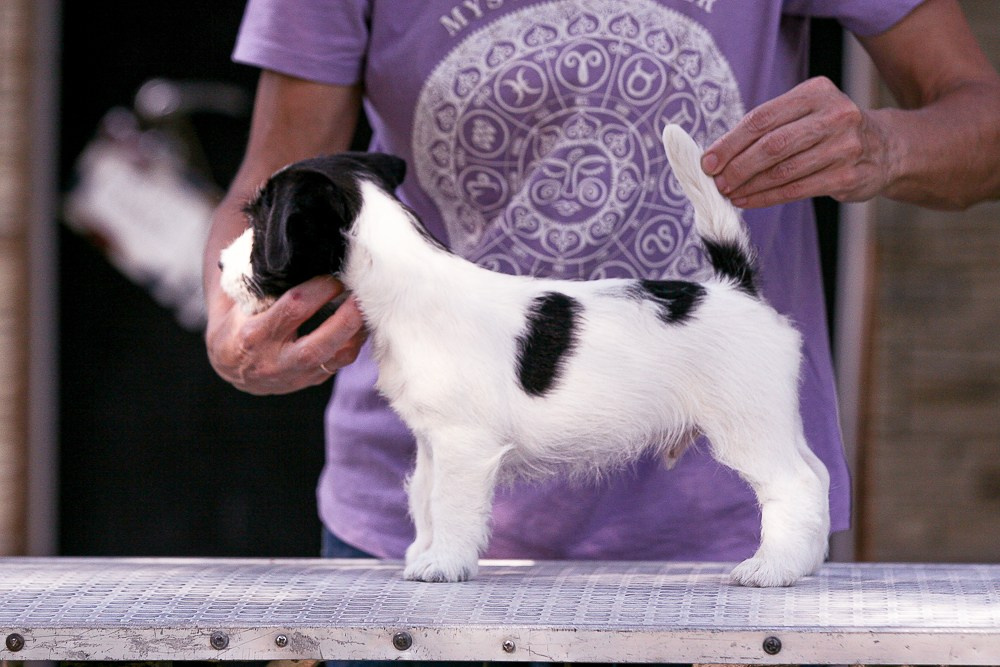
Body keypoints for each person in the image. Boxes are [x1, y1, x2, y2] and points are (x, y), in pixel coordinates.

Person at [204, 0, 1000, 565]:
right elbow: (273, 175)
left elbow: (983, 118)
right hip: (391, 525)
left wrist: (886, 147)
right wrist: (230, 320)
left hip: (714, 533)